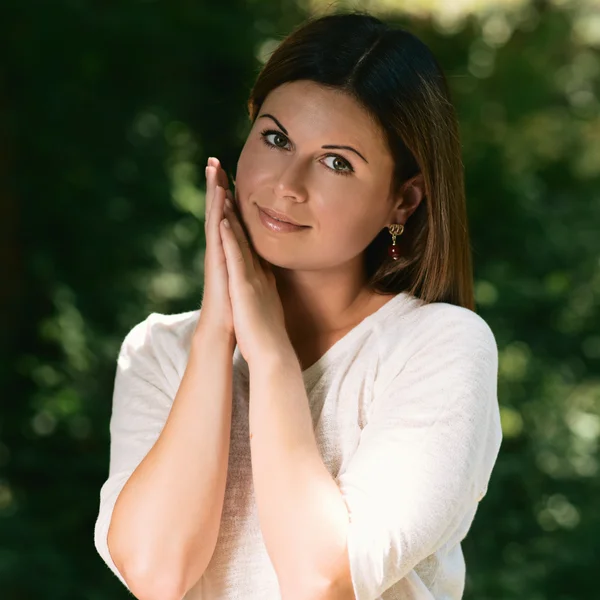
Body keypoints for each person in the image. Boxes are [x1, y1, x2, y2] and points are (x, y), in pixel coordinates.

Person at [94, 11, 503, 600]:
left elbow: (321, 579)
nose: (287, 183)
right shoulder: (160, 351)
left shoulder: (439, 346)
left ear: (403, 201)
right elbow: (158, 575)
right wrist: (215, 335)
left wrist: (272, 357)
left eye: (337, 162)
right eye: (275, 137)